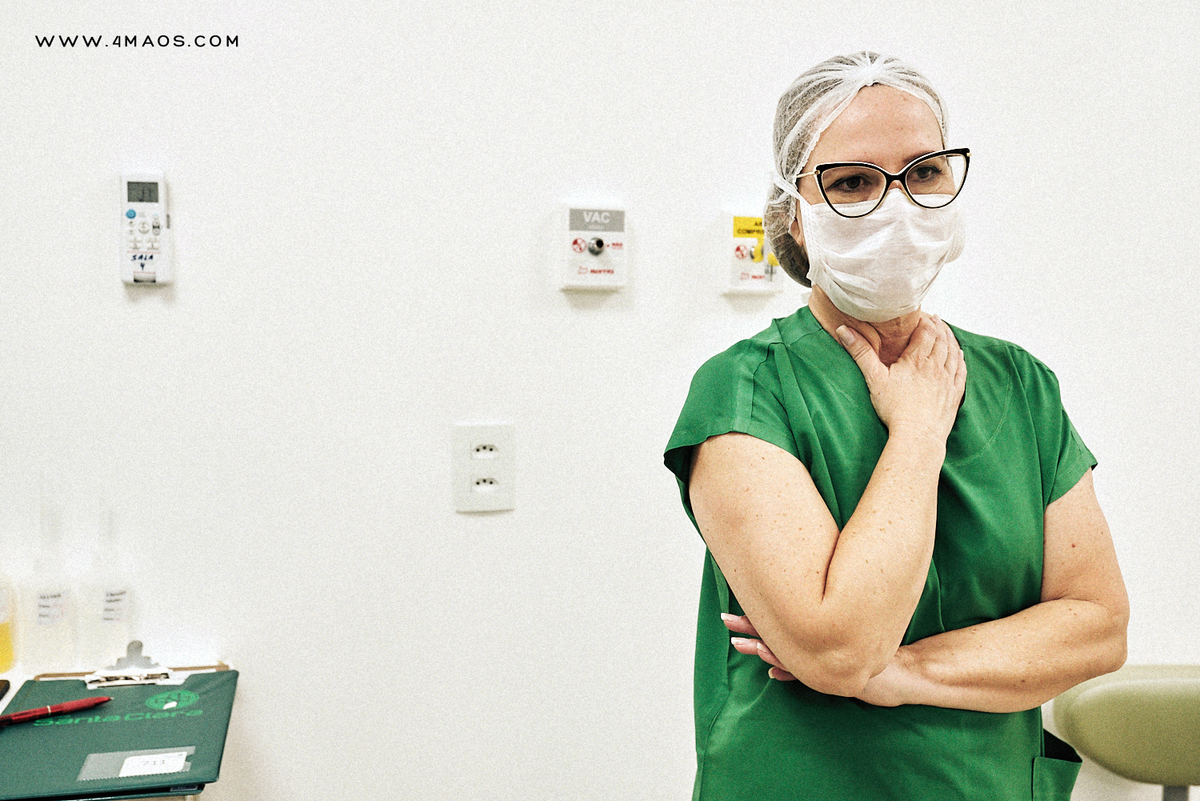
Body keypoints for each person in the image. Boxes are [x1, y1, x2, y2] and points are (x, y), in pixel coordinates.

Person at [664, 51, 1129, 800]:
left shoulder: (1019, 383)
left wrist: (905, 671)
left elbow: (1098, 626)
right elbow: (841, 649)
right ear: (793, 217)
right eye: (851, 182)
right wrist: (916, 432)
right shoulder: (747, 389)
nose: (896, 206)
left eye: (924, 172)